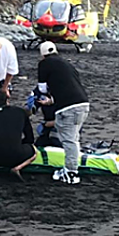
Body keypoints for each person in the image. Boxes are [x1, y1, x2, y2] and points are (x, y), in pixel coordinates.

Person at [36, 42, 89, 184]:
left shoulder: (44, 64)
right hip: (83, 103)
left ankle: (71, 172)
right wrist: (51, 101)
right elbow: (67, 88)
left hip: (68, 108)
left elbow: (42, 88)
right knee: (74, 138)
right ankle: (72, 167)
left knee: (68, 140)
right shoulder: (67, 64)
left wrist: (43, 98)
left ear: (42, 55)